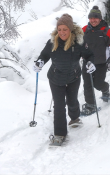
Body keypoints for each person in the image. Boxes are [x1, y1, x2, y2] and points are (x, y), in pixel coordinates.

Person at [34, 14, 94, 147]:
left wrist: (90, 63)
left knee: (72, 101)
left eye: (64, 29)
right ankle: (60, 134)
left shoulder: (78, 42)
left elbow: (88, 55)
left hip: (74, 77)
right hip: (56, 78)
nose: (62, 32)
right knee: (59, 106)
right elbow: (44, 55)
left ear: (70, 29)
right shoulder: (52, 42)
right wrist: (39, 63)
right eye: (59, 29)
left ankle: (74, 118)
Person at [81, 6, 110, 115]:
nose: (93, 20)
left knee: (97, 84)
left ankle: (105, 89)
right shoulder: (84, 30)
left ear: (100, 19)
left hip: (101, 62)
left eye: (96, 18)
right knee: (87, 84)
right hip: (87, 62)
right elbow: (78, 44)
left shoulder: (107, 31)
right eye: (91, 18)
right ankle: (90, 105)